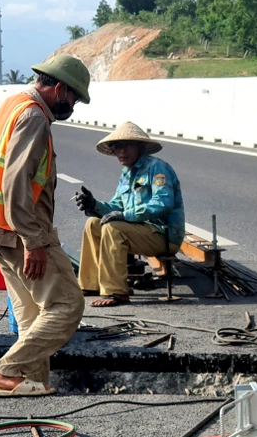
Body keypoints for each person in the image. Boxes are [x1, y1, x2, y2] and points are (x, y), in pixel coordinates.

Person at [0, 54, 90, 397]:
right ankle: (8, 371)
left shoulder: (15, 103)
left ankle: (30, 380)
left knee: (30, 309)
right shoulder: (34, 116)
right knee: (67, 304)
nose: (72, 106)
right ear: (60, 89)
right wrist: (33, 240)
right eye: (73, 98)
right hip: (16, 227)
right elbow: (15, 181)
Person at [73, 122, 185, 307]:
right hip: (139, 231)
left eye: (127, 146)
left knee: (113, 228)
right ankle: (91, 284)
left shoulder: (158, 168)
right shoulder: (127, 174)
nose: (121, 151)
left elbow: (162, 204)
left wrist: (125, 215)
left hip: (163, 235)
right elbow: (116, 207)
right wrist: (94, 205)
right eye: (117, 147)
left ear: (140, 147)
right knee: (93, 223)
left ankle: (116, 291)